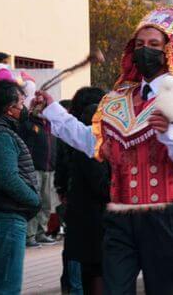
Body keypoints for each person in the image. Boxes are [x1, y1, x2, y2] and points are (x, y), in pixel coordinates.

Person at [36, 5, 173, 294]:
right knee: (115, 288)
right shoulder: (118, 99)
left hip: (165, 213)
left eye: (153, 45)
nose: (145, 50)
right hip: (120, 214)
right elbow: (91, 142)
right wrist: (52, 110)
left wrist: (170, 131)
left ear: (168, 52)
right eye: (139, 44)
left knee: (165, 289)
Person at [0, 79, 40, 294]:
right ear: (9, 109)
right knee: (4, 287)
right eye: (20, 103)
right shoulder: (2, 135)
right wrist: (34, 200)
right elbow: (8, 180)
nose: (23, 108)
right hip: (5, 218)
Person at [60, 87, 108, 295]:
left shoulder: (74, 140)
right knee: (93, 271)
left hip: (82, 216)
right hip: (93, 219)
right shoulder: (89, 145)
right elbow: (101, 185)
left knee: (84, 270)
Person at [18, 97, 59, 247]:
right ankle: (30, 235)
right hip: (33, 169)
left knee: (47, 203)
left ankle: (42, 232)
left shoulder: (51, 126)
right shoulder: (28, 124)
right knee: (34, 202)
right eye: (39, 105)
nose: (42, 109)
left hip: (49, 168)